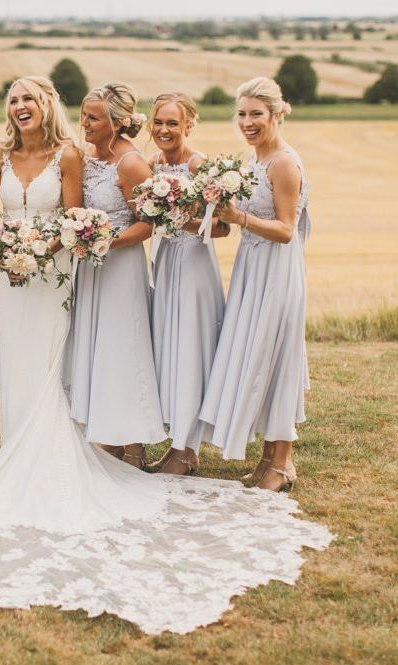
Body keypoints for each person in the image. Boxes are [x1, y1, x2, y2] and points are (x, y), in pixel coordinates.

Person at [0, 76, 331, 635]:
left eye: (31, 99)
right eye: (13, 99)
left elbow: (78, 220)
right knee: (30, 361)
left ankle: (215, 450)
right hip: (12, 272)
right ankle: (37, 448)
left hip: (59, 271)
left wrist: (70, 243)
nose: (21, 107)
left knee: (63, 356)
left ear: (50, 107)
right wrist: (5, 244)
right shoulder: (0, 154)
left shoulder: (74, 156)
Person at [199, 77, 311, 492]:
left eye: (256, 114)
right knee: (257, 352)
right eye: (242, 114)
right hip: (252, 267)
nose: (247, 122)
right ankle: (268, 459)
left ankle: (282, 464)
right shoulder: (250, 163)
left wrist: (237, 217)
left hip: (277, 271)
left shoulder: (282, 162)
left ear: (277, 114)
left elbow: (285, 230)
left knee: (277, 356)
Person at [64, 82, 166, 468]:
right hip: (92, 267)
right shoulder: (88, 157)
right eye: (84, 115)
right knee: (99, 346)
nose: (84, 123)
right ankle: (107, 433)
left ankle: (134, 444)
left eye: (92, 117)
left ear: (118, 122)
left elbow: (147, 224)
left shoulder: (131, 164)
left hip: (121, 266)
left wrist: (107, 241)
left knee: (124, 347)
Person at [147, 93, 227, 476]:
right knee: (169, 347)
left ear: (189, 125)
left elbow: (224, 227)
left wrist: (180, 220)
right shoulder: (152, 164)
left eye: (172, 123)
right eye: (158, 122)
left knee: (190, 347)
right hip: (164, 261)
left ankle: (187, 450)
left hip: (194, 262)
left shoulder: (200, 166)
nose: (164, 130)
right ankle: (176, 444)